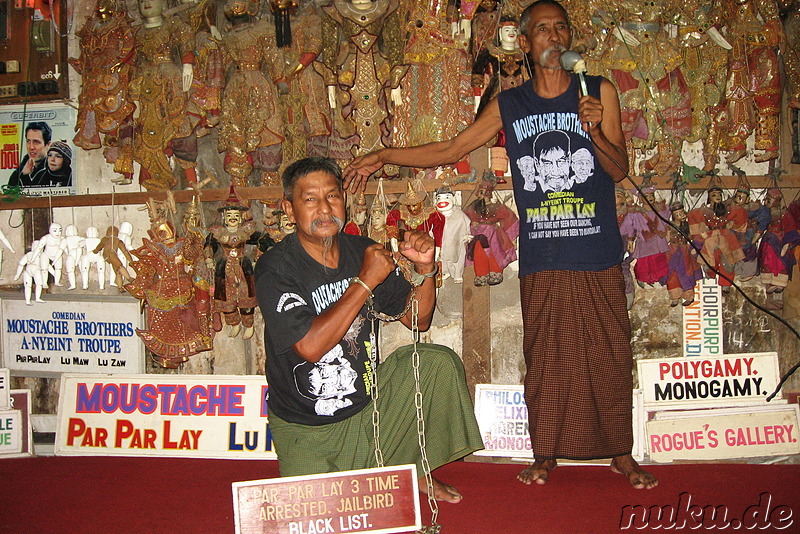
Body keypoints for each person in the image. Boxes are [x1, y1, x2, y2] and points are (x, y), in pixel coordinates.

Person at [344, 0, 657, 489]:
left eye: (561, 29)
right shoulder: (512, 104)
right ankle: (546, 453)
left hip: (597, 250)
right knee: (547, 356)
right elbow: (451, 148)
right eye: (543, 30)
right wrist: (382, 153)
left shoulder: (599, 93)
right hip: (545, 256)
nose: (553, 37)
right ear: (527, 43)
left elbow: (618, 171)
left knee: (609, 354)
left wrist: (593, 128)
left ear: (569, 39)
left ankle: (621, 452)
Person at [255, 157, 483, 503]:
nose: (325, 208)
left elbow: (417, 320)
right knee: (323, 514)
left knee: (435, 362)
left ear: (344, 200)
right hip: (306, 427)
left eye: (332, 196)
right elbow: (310, 347)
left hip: (367, 411)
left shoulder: (361, 250)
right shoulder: (276, 267)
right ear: (289, 209)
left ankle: (412, 464)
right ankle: (389, 468)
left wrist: (425, 270)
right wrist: (365, 280)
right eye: (310, 199)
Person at [8, 122, 51, 187]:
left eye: (36, 142)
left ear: (48, 144)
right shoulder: (17, 174)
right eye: (28, 141)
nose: (31, 147)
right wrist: (23, 175)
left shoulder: (54, 172)